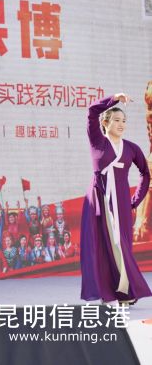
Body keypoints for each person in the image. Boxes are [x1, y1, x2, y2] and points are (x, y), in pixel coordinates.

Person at [81, 93, 151, 305]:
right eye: (117, 120)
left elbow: (145, 173)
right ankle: (109, 293)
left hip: (121, 202)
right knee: (102, 246)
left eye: (124, 121)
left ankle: (125, 291)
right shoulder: (97, 141)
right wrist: (114, 98)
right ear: (105, 123)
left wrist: (135, 201)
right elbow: (92, 111)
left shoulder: (131, 148)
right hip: (99, 200)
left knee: (122, 246)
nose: (121, 125)